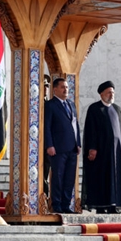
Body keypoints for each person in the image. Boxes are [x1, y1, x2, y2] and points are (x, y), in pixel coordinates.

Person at [81, 81, 121, 214]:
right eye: (109, 92)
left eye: (113, 92)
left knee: (117, 177)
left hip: (117, 152)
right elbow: (91, 130)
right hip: (101, 152)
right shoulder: (94, 108)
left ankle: (116, 203)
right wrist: (92, 148)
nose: (111, 95)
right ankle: (102, 204)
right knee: (103, 177)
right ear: (101, 93)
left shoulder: (117, 109)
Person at [44, 77, 81, 214]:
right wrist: (49, 145)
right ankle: (57, 204)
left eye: (66, 87)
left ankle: (66, 205)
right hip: (58, 148)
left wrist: (78, 143)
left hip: (72, 148)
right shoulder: (50, 105)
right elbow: (47, 127)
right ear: (55, 89)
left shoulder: (71, 104)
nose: (66, 89)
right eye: (62, 87)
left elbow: (75, 124)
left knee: (69, 178)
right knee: (58, 177)